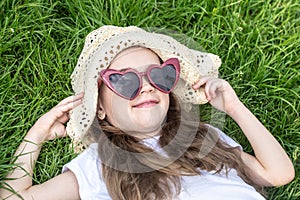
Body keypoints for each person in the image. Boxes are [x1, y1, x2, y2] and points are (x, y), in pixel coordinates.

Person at [0, 26, 294, 200]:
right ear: (99, 108)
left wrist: (235, 108)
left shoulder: (206, 138)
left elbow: (278, 174)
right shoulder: (100, 164)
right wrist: (36, 135)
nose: (145, 87)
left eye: (158, 75)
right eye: (124, 80)